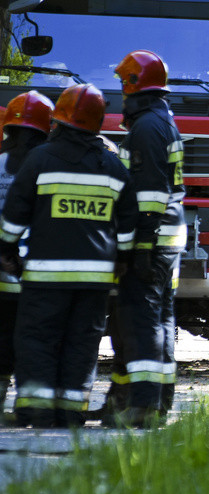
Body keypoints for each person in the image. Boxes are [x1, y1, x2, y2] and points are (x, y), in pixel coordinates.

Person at [0, 84, 137, 427]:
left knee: (38, 339)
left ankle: (36, 410)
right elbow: (128, 223)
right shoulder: (112, 165)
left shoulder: (39, 159)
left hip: (45, 277)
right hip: (94, 279)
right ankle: (70, 412)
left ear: (57, 119)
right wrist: (122, 260)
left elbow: (15, 214)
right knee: (81, 343)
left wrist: (8, 251)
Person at [101, 50, 186, 428]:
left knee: (142, 321)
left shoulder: (148, 127)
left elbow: (150, 193)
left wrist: (142, 245)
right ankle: (157, 402)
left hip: (153, 239)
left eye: (123, 84)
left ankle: (144, 406)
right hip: (166, 237)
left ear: (134, 85)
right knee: (161, 320)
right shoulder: (159, 121)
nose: (120, 91)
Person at [0, 90, 54, 416]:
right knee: (35, 343)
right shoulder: (48, 166)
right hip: (37, 276)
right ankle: (30, 406)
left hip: (2, 274)